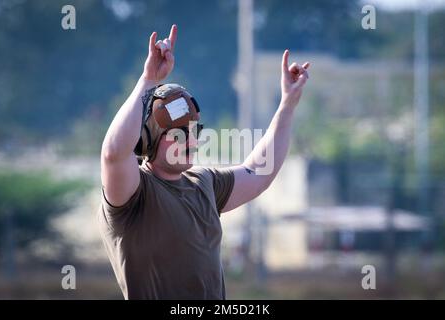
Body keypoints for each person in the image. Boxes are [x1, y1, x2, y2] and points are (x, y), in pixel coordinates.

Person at [97, 24, 310, 300]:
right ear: (147, 139)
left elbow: (260, 172)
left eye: (193, 131)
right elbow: (114, 152)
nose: (190, 140)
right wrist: (149, 80)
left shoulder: (205, 182)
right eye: (178, 133)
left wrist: (287, 106)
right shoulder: (133, 193)